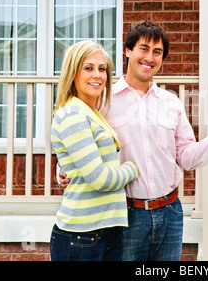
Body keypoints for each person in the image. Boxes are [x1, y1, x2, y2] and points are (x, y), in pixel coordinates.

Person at [59, 20, 208, 260]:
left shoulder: (170, 102)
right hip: (126, 215)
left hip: (171, 213)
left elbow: (186, 157)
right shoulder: (103, 100)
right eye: (144, 49)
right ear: (128, 51)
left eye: (157, 52)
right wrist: (63, 167)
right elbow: (79, 141)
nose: (150, 58)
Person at [50, 41, 138, 261]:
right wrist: (132, 169)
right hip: (81, 235)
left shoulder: (92, 112)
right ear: (72, 73)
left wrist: (62, 166)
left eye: (102, 69)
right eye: (88, 68)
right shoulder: (72, 114)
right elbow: (98, 178)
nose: (97, 75)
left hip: (107, 229)